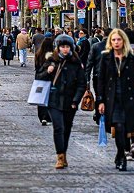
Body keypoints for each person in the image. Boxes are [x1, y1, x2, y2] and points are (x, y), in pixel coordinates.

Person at [97, 29, 134, 172]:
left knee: (126, 127)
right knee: (118, 127)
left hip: (129, 98)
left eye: (119, 40)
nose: (116, 42)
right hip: (113, 99)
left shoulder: (131, 56)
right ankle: (121, 154)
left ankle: (121, 155)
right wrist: (100, 100)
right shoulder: (106, 58)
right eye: (113, 40)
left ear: (123, 41)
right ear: (110, 42)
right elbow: (101, 80)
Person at [36, 34, 86, 169]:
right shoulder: (51, 61)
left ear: (71, 48)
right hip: (54, 100)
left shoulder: (76, 63)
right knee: (58, 127)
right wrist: (48, 71)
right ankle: (60, 156)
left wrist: (76, 100)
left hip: (70, 102)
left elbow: (82, 84)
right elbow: (38, 77)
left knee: (67, 128)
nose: (65, 49)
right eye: (62, 47)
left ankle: (64, 152)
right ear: (57, 48)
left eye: (67, 47)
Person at [34, 36, 54, 125]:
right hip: (50, 78)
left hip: (40, 78)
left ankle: (42, 116)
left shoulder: (38, 54)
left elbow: (36, 67)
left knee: (41, 98)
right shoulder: (53, 55)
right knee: (50, 98)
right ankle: (48, 116)